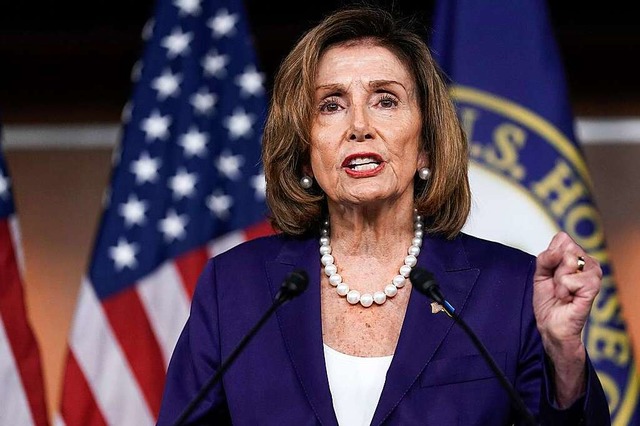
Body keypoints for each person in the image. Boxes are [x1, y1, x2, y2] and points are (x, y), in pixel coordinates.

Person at [157, 4, 610, 425]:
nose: (359, 126)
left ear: (427, 145)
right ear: (304, 148)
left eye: (386, 100)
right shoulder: (235, 288)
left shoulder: (508, 289)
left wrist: (564, 356)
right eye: (330, 105)